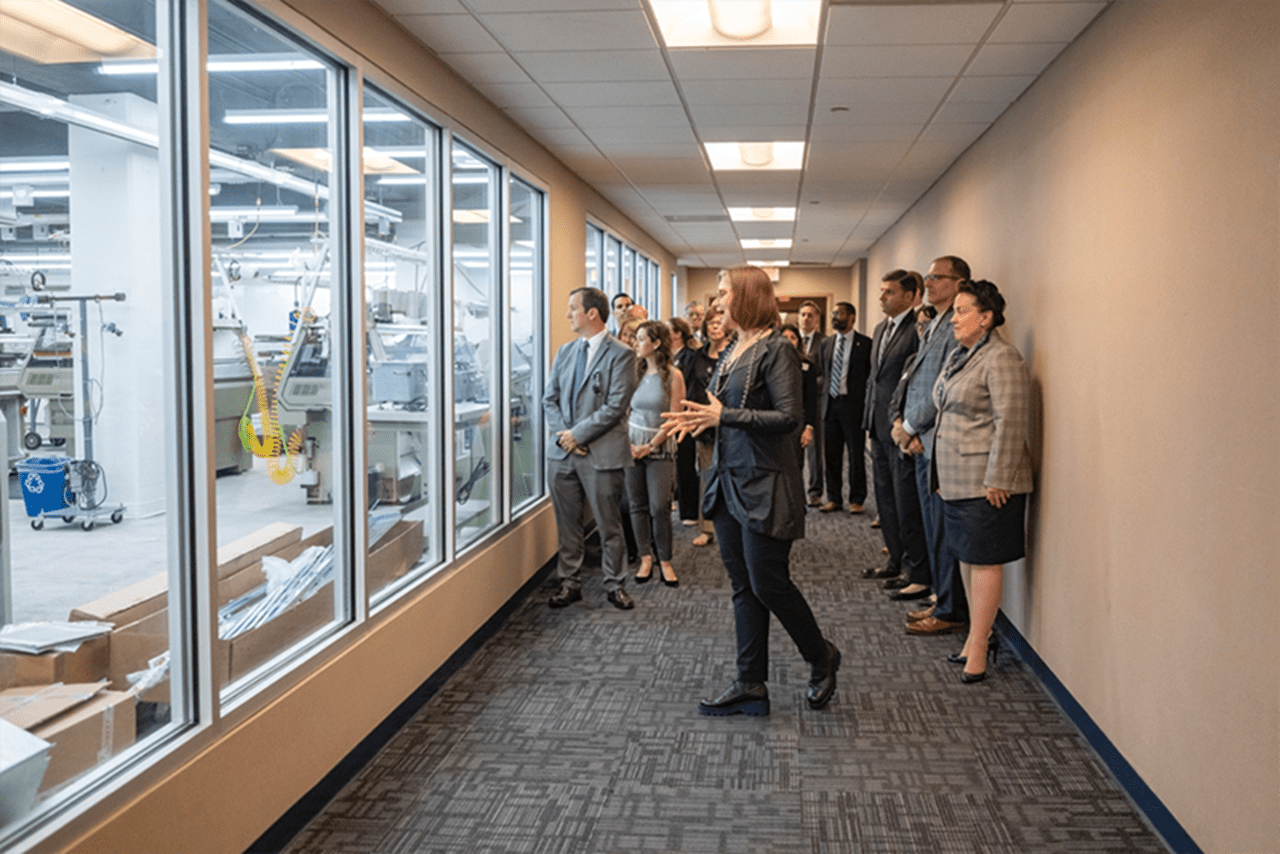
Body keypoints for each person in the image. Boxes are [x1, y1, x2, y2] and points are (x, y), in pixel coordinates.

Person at [664, 266, 840, 717]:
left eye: (724, 293)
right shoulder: (732, 350)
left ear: (745, 295)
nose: (718, 301)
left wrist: (725, 418)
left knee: (770, 583)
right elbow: (719, 409)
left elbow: (788, 419)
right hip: (727, 481)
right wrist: (700, 420)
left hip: (765, 483)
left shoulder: (776, 349)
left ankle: (821, 657)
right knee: (744, 587)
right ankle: (750, 683)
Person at [931, 279, 1034, 683]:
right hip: (956, 478)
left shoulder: (1002, 358)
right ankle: (979, 634)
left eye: (962, 311)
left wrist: (1000, 477)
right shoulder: (962, 354)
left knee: (985, 559)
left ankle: (978, 648)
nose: (954, 318)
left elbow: (1011, 419)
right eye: (954, 311)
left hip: (988, 482)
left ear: (986, 317)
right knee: (966, 557)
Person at [542, 287, 639, 611]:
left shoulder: (622, 354)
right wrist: (564, 437)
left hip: (600, 455)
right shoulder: (565, 352)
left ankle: (615, 584)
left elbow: (615, 407)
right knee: (567, 526)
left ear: (592, 314)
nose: (568, 314)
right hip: (562, 455)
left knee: (609, 525)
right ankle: (569, 582)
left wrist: (578, 436)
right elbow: (549, 400)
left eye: (573, 308)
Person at [894, 256, 970, 636]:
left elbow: (941, 386)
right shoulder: (935, 322)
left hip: (933, 441)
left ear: (958, 283)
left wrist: (910, 426)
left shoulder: (953, 328)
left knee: (941, 528)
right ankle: (942, 599)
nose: (928, 282)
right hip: (920, 440)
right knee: (930, 526)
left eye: (936, 277)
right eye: (927, 276)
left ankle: (951, 607)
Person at [863, 270, 929, 601]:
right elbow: (875, 380)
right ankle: (895, 560)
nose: (882, 297)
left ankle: (915, 570)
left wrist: (909, 425)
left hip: (902, 430)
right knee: (885, 500)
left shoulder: (918, 328)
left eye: (889, 292)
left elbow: (917, 383)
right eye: (882, 291)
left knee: (906, 505)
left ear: (910, 294)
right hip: (877, 426)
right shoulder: (880, 329)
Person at [627, 320, 685, 587]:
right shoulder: (632, 373)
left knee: (659, 506)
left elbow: (675, 418)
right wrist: (630, 446)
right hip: (631, 447)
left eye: (641, 339)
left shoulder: (674, 376)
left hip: (659, 448)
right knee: (637, 506)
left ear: (656, 344)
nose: (636, 344)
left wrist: (650, 445)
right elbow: (624, 412)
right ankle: (645, 558)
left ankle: (665, 560)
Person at [818, 301, 871, 514]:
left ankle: (857, 499)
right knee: (831, 454)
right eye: (833, 314)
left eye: (838, 314)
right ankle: (834, 498)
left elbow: (869, 377)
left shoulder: (866, 344)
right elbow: (825, 372)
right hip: (830, 404)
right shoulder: (826, 344)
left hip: (853, 405)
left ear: (852, 317)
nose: (833, 317)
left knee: (856, 454)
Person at [689, 306, 733, 548]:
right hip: (705, 426)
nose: (715, 327)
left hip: (730, 423)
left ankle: (733, 522)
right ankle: (706, 528)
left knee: (732, 475)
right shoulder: (698, 355)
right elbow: (693, 390)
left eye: (719, 322)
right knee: (706, 475)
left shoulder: (735, 353)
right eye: (710, 324)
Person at [668, 317, 703, 527]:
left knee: (685, 463)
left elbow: (692, 386)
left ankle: (689, 511)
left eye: (668, 330)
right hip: (665, 414)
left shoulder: (691, 356)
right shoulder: (663, 357)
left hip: (684, 415)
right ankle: (672, 500)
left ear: (678, 333)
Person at [797, 300, 826, 506]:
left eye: (810, 315)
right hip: (791, 403)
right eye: (803, 314)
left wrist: (810, 383)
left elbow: (826, 373)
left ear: (816, 320)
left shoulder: (824, 342)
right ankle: (795, 488)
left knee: (815, 449)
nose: (806, 318)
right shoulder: (787, 341)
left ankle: (815, 491)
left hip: (815, 402)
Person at [779, 323, 818, 454]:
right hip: (774, 422)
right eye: (784, 337)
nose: (788, 341)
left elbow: (811, 399)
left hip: (797, 424)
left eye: (793, 337)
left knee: (795, 465)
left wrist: (808, 428)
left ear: (799, 342)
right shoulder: (769, 365)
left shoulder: (807, 367)